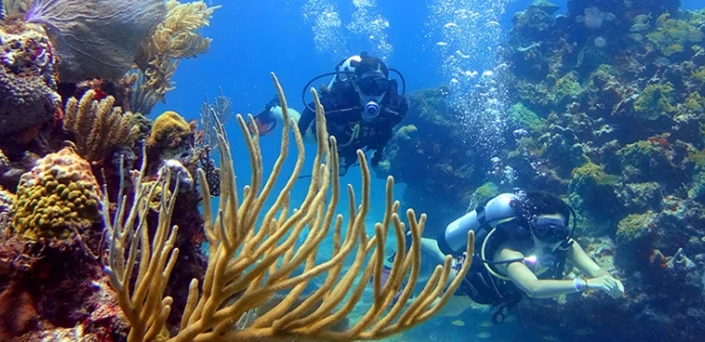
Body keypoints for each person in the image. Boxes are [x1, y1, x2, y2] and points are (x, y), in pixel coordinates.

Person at [419, 190, 625, 322]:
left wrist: (611, 280)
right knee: (440, 308)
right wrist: (586, 284)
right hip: (468, 283)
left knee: (441, 256)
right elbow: (533, 288)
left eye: (558, 232)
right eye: (545, 230)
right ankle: (396, 298)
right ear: (530, 228)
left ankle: (415, 238)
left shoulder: (565, 245)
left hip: (497, 291)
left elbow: (596, 270)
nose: (551, 239)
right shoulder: (508, 249)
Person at [254, 52, 408, 175]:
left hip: (356, 141)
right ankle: (273, 109)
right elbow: (311, 109)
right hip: (324, 134)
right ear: (356, 85)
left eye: (380, 85)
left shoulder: (396, 106)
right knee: (303, 131)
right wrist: (299, 134)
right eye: (367, 85)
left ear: (387, 87)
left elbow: (388, 129)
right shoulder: (340, 98)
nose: (373, 93)